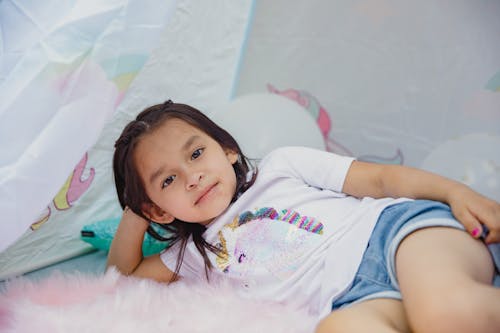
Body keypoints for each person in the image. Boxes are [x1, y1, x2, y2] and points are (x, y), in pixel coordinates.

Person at [107, 100, 500, 333]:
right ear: (157, 208)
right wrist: (136, 211)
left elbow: (380, 180)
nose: (193, 177)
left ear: (226, 149)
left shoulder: (281, 166)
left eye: (196, 154)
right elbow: (119, 281)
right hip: (350, 299)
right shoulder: (192, 255)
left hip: (397, 235)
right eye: (169, 179)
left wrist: (455, 192)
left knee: (446, 313)